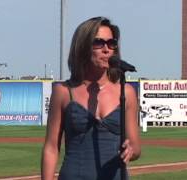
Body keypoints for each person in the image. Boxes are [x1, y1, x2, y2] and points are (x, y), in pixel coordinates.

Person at [41, 16, 141, 180]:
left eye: (111, 43)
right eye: (99, 43)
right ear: (83, 47)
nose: (106, 49)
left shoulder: (127, 92)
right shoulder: (63, 92)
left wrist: (131, 150)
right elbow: (51, 147)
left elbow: (136, 147)